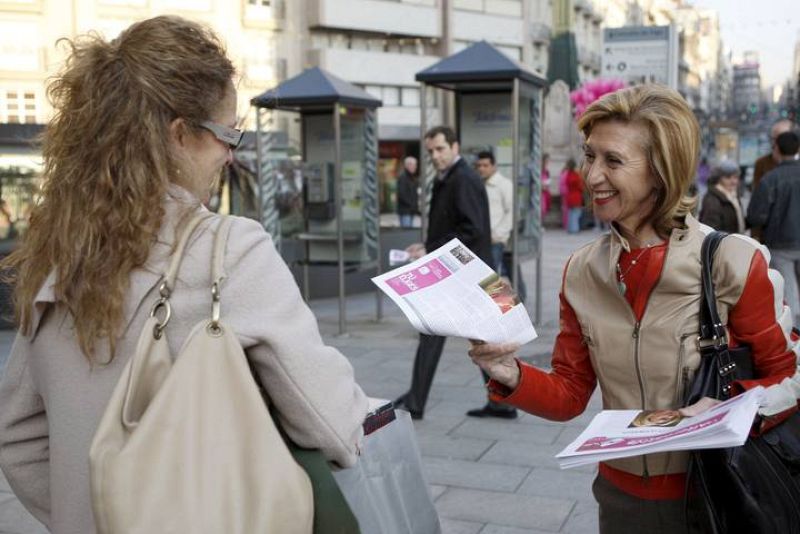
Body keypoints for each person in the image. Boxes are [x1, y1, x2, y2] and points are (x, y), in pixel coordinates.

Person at [0, 16, 368, 534]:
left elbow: (17, 435)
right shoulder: (229, 248)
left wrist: (98, 511)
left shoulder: (58, 255)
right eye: (227, 133)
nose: (231, 152)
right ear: (180, 135)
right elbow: (329, 421)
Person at [466, 85, 797, 533]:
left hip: (716, 495)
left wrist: (722, 407)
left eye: (613, 160)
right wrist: (509, 373)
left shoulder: (733, 262)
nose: (592, 175)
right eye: (589, 156)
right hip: (618, 499)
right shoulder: (582, 271)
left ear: (661, 171)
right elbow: (569, 393)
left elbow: (788, 376)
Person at [395, 126, 516, 420]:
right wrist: (426, 245)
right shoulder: (450, 177)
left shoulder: (463, 178)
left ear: (455, 146)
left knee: (470, 338)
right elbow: (452, 226)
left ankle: (418, 401)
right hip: (462, 272)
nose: (435, 156)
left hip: (466, 274)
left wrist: (432, 249)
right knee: (463, 337)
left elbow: (471, 230)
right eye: (431, 151)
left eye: (440, 149)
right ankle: (500, 403)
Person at [747, 130, 800, 326]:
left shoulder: (770, 179)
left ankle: (794, 333)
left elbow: (756, 215)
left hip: (780, 243)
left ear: (777, 149)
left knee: (788, 292)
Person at [474, 151, 513, 274]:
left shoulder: (504, 184)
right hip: (480, 238)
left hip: (495, 240)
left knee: (490, 277)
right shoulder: (478, 184)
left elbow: (511, 212)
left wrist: (497, 234)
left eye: (485, 165)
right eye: (479, 166)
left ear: (494, 166)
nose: (481, 169)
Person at [698, 161, 746, 234]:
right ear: (718, 178)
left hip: (734, 241)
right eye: (728, 177)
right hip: (724, 243)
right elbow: (711, 230)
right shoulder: (712, 199)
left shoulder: (733, 194)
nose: (733, 181)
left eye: (735, 177)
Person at [753, 119, 795, 194]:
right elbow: (757, 195)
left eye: (781, 139)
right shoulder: (761, 163)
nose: (775, 143)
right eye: (773, 139)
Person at [396, 156, 419, 228]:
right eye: (414, 165)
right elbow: (402, 194)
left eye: (416, 165)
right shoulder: (403, 177)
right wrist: (412, 204)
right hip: (405, 211)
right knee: (406, 233)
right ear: (408, 165)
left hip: (410, 211)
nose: (415, 167)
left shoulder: (411, 177)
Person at [564, 158, 583, 233]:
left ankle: (570, 228)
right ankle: (575, 229)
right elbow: (580, 186)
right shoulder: (576, 175)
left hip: (569, 195)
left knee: (571, 213)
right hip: (576, 196)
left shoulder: (568, 174)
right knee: (576, 213)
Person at [541, 152, 552, 218]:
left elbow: (548, 179)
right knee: (542, 208)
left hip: (545, 191)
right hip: (541, 191)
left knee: (544, 208)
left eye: (548, 160)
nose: (548, 162)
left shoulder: (546, 170)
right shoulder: (541, 169)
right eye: (547, 160)